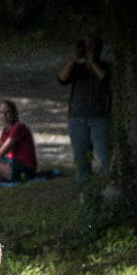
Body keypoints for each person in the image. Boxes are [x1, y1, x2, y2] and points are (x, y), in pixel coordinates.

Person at [57, 34, 112, 184]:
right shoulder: (77, 68)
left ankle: (112, 193)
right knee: (82, 162)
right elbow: (61, 79)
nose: (88, 49)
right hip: (77, 118)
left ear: (99, 49)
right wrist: (73, 59)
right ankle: (85, 196)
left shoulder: (106, 67)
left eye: (91, 46)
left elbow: (106, 79)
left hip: (100, 118)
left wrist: (93, 62)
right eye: (85, 46)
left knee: (106, 159)